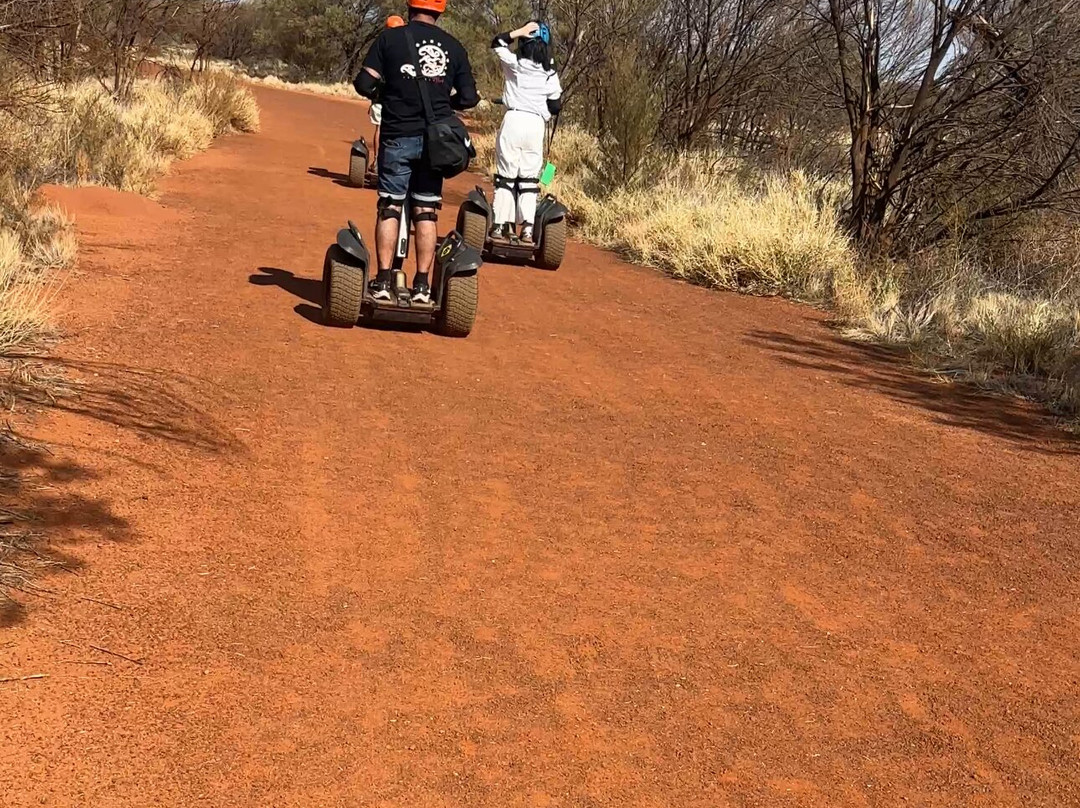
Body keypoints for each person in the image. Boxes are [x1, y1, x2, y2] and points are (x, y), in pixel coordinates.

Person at [353, 0, 479, 304]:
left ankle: (383, 281)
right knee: (426, 211)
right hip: (436, 144)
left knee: (390, 206)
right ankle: (422, 286)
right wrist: (442, 104)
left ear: (410, 6)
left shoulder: (390, 38)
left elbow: (364, 82)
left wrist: (389, 93)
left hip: (397, 134)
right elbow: (469, 97)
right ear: (441, 9)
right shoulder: (454, 46)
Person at [490, 21, 563, 244]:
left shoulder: (514, 63)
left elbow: (498, 43)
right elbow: (555, 105)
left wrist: (519, 31)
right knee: (529, 180)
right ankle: (528, 229)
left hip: (513, 120)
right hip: (535, 125)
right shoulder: (549, 72)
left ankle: (500, 225)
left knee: (506, 177)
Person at [366, 14, 407, 172]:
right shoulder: (406, 49)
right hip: (401, 100)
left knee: (380, 129)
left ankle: (377, 162)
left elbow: (371, 76)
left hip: (381, 99)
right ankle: (395, 164)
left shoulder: (381, 46)